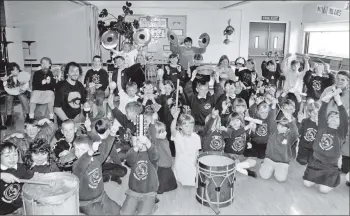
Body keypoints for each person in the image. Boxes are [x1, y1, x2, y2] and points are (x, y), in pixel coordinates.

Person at [303, 93, 348, 193]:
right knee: (306, 183)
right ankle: (317, 179)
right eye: (331, 116)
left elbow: (344, 119)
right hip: (316, 162)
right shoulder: (322, 128)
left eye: (337, 117)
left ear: (340, 123)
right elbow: (321, 113)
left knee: (323, 190)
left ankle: (329, 180)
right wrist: (325, 101)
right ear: (327, 120)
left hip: (330, 166)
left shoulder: (341, 133)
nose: (334, 118)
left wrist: (339, 102)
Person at [73, 135, 122, 215]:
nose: (79, 153)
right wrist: (89, 152)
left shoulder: (96, 159)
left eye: (82, 150)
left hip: (101, 195)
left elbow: (105, 149)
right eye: (76, 150)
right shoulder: (76, 165)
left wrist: (112, 134)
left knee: (118, 210)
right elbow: (82, 164)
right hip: (87, 203)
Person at [120, 135, 159, 215]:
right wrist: (136, 147)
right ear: (132, 143)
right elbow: (129, 159)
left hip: (149, 192)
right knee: (124, 213)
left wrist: (148, 143)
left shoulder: (151, 153)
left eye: (142, 140)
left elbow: (155, 156)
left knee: (142, 214)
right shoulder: (133, 153)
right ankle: (144, 205)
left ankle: (152, 205)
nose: (140, 142)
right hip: (133, 192)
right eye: (137, 140)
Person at [258, 109, 298, 182]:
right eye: (279, 125)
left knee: (281, 178)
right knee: (264, 175)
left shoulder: (290, 137)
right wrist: (273, 107)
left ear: (288, 129)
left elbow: (295, 133)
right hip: (269, 159)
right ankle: (265, 164)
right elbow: (272, 119)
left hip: (282, 162)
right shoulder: (273, 130)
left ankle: (282, 168)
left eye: (283, 127)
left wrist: (290, 120)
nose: (279, 127)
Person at [0, 142, 35, 215]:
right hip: (3, 212)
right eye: (7, 156)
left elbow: (31, 180)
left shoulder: (22, 167)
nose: (12, 158)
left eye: (15, 155)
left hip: (21, 207)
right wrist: (2, 175)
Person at [170, 108, 201, 186]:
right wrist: (175, 118)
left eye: (191, 126)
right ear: (180, 127)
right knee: (180, 183)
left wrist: (196, 161)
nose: (189, 128)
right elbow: (172, 129)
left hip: (191, 164)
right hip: (180, 164)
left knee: (193, 183)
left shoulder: (196, 137)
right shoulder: (178, 136)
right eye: (186, 126)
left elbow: (197, 152)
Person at [54, 62, 87, 126]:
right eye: (72, 71)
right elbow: (57, 109)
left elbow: (84, 102)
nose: (75, 73)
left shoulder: (80, 85)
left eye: (77, 71)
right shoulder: (61, 86)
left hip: (78, 119)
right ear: (67, 73)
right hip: (65, 121)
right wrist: (69, 122)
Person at [29, 57, 55, 123]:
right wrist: (41, 83)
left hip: (48, 91)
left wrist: (50, 83)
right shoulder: (36, 73)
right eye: (42, 63)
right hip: (38, 91)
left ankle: (51, 116)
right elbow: (34, 85)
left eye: (46, 63)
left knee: (50, 95)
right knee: (34, 96)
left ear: (50, 65)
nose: (44, 65)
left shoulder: (52, 73)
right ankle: (31, 116)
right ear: (40, 64)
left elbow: (53, 86)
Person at [154, 121, 177, 194]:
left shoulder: (158, 140)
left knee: (163, 175)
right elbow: (168, 152)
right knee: (163, 176)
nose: (165, 133)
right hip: (164, 163)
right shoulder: (163, 141)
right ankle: (161, 187)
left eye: (165, 131)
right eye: (161, 132)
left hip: (162, 163)